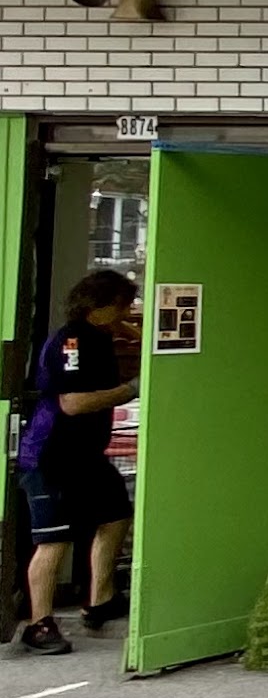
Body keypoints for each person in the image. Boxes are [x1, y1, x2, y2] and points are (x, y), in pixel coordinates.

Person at [16, 269, 141, 655]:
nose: (126, 313)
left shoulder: (99, 335)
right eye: (121, 305)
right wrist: (129, 391)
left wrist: (135, 330)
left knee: (115, 512)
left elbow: (138, 335)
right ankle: (39, 624)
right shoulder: (72, 341)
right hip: (52, 455)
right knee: (54, 539)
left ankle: (101, 598)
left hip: (86, 455)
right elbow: (72, 403)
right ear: (97, 306)